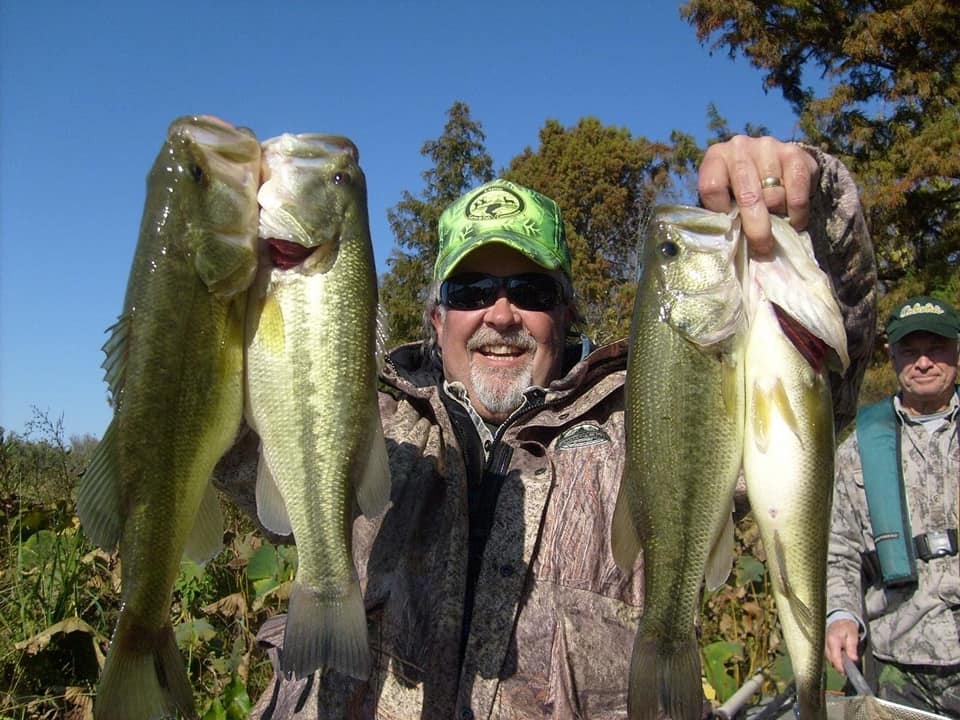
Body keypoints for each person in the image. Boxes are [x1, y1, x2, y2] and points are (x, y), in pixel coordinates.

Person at [214, 135, 877, 719]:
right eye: (471, 293)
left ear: (565, 314)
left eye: (530, 292)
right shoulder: (357, 418)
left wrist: (808, 207)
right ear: (437, 317)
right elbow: (211, 434)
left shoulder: (643, 426)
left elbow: (820, 390)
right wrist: (215, 245)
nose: (500, 315)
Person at [825, 296, 960, 718]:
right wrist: (841, 614)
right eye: (910, 350)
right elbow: (838, 551)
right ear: (894, 355)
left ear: (957, 351)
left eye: (935, 348)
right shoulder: (857, 450)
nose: (923, 362)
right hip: (895, 657)